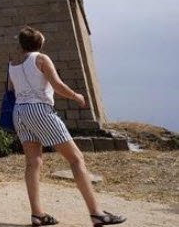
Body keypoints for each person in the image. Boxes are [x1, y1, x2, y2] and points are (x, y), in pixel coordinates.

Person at [9, 27, 125, 227]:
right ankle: (96, 213)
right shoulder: (41, 59)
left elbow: (12, 89)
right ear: (40, 43)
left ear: (21, 44)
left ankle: (37, 214)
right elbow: (57, 85)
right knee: (76, 159)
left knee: (33, 163)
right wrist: (75, 96)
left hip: (19, 112)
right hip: (40, 110)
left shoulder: (12, 65)